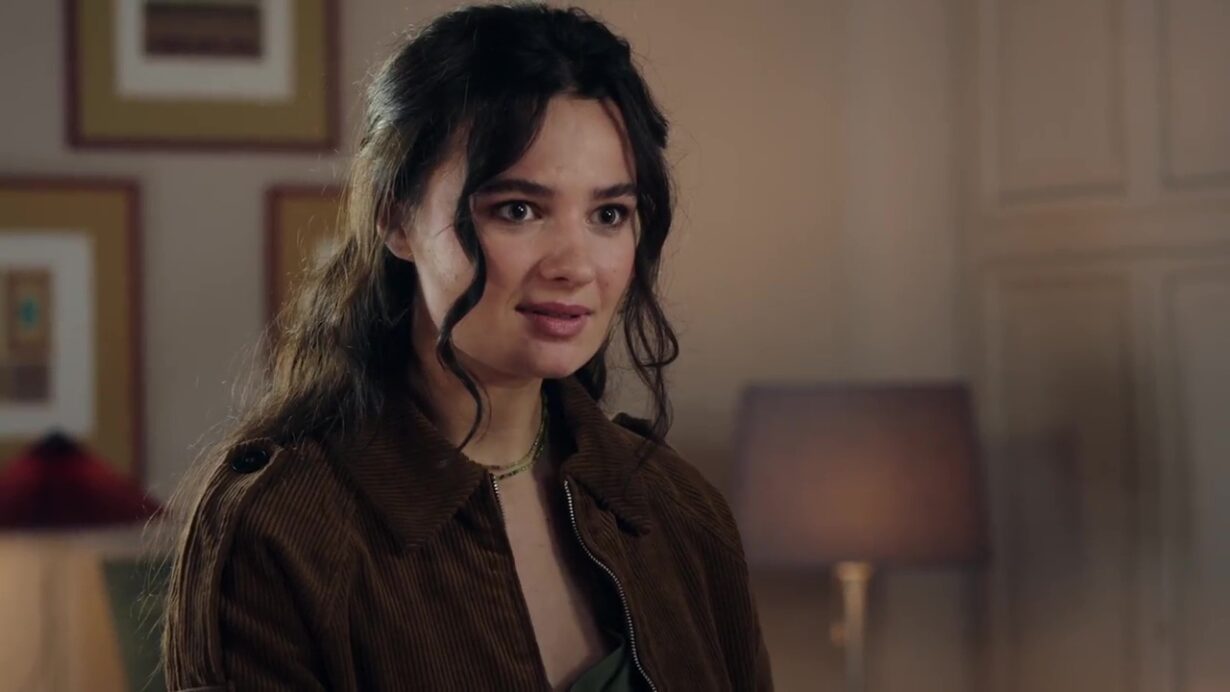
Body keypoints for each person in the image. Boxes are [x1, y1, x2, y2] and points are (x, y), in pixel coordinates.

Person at [161, 4, 772, 690]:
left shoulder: (677, 509)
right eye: (518, 209)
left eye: (609, 214)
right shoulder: (282, 532)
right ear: (396, 219)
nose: (575, 265)